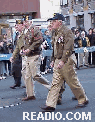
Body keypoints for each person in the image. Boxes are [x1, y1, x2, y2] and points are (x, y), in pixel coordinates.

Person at [40, 13, 88, 112]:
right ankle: (50, 104)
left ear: (60, 22)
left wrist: (62, 60)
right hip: (58, 60)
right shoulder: (55, 32)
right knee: (55, 83)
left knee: (72, 81)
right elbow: (55, 48)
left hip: (66, 60)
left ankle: (83, 99)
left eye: (54, 21)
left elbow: (68, 47)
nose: (51, 23)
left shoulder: (67, 31)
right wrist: (53, 60)